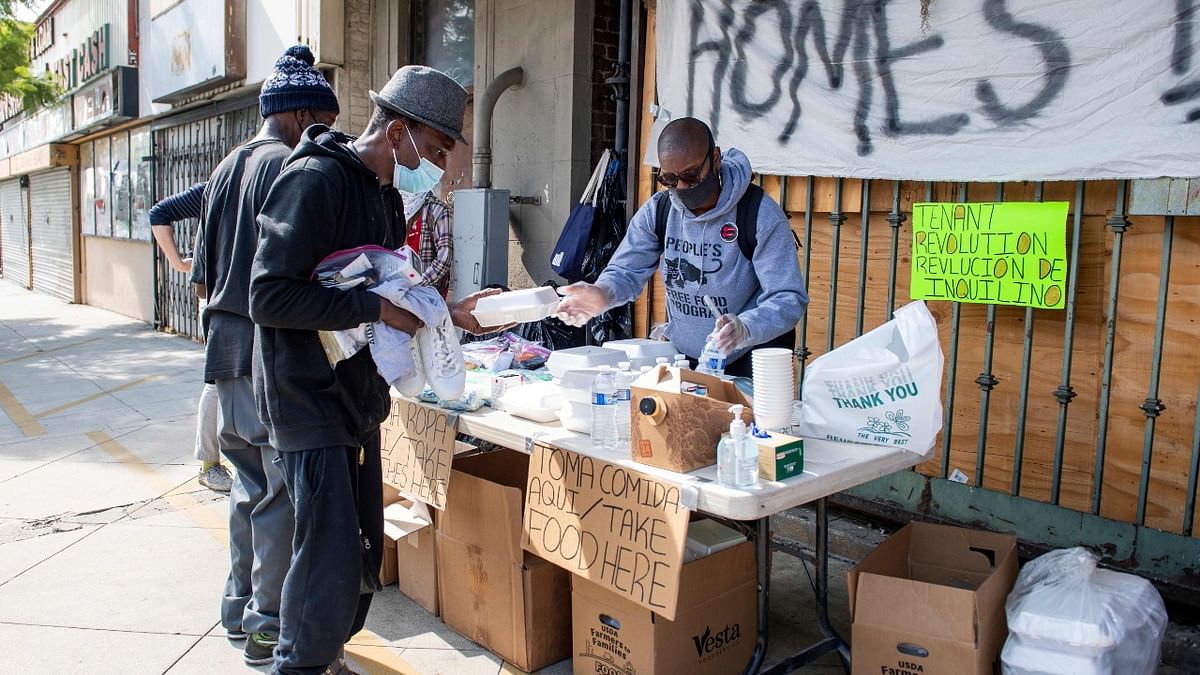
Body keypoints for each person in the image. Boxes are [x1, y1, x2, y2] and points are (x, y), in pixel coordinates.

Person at [249, 65, 503, 675]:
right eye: (435, 148)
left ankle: (324, 653)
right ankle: (300, 663)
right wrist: (374, 307)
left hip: (356, 397)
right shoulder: (313, 182)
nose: (439, 165)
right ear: (398, 131)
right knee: (325, 561)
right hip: (306, 398)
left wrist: (449, 315)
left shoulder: (386, 199)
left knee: (359, 552)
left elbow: (397, 287)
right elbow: (268, 296)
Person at [190, 45, 340, 666]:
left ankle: (236, 606)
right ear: (304, 114)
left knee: (246, 485)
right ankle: (265, 622)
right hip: (262, 348)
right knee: (281, 491)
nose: (327, 134)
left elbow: (199, 279)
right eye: (324, 122)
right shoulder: (290, 165)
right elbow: (285, 284)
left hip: (223, 346)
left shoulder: (226, 166)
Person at [557, 117, 808, 377]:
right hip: (688, 357)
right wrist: (603, 293)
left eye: (690, 175)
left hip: (752, 357)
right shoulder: (659, 210)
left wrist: (745, 327)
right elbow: (625, 271)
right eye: (669, 179)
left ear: (716, 158)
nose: (682, 187)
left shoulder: (758, 214)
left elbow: (788, 298)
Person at [148, 183, 232, 493]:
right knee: (216, 380)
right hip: (215, 298)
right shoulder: (216, 189)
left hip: (241, 299)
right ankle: (209, 463)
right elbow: (159, 213)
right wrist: (178, 262)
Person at [400, 189, 453, 296]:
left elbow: (444, 259)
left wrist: (419, 284)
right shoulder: (396, 206)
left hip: (425, 294)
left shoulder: (437, 210)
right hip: (398, 291)